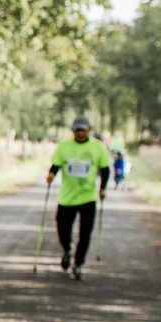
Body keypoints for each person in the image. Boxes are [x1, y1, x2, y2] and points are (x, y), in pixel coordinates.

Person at [46, 116, 111, 280]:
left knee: (85, 232)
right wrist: (51, 175)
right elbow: (55, 165)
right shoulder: (64, 146)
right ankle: (67, 248)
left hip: (88, 197)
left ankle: (78, 264)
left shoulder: (97, 147)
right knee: (62, 228)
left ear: (89, 130)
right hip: (67, 197)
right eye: (77, 130)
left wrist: (103, 188)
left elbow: (105, 169)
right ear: (73, 131)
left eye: (83, 130)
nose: (80, 133)